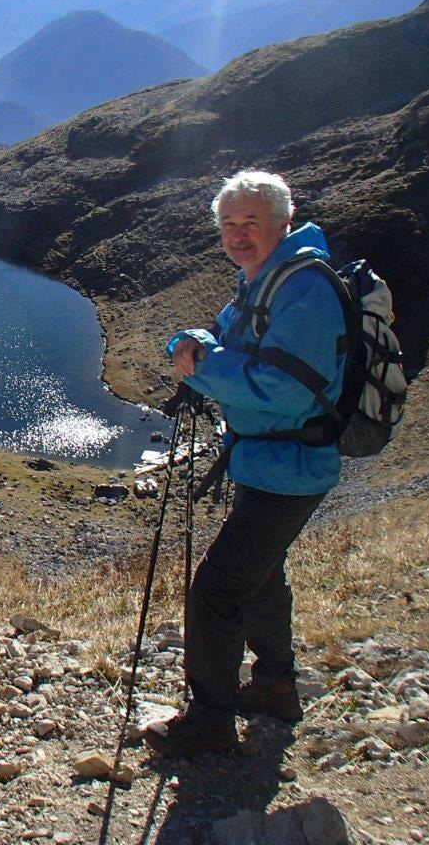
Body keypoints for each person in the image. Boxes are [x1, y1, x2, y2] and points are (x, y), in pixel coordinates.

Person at [146, 170, 348, 758]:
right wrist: (190, 340)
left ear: (283, 221)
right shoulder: (265, 277)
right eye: (229, 224)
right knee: (261, 577)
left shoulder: (305, 288)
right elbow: (227, 338)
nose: (238, 234)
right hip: (265, 462)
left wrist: (201, 370)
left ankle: (210, 722)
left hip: (291, 467)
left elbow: (283, 389)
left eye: (251, 223)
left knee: (215, 590)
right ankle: (277, 688)